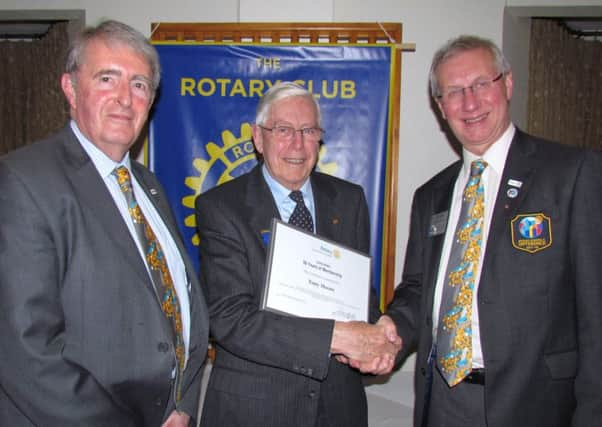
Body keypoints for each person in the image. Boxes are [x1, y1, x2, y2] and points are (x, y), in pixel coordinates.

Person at [380, 35, 602, 426]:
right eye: (454, 91)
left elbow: (596, 313)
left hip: (537, 406)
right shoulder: (431, 195)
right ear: (440, 106)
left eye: (482, 84)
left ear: (507, 84)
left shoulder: (572, 174)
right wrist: (388, 329)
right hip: (443, 402)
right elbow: (418, 290)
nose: (470, 102)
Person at [0, 20, 209, 426]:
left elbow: (176, 309)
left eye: (139, 85)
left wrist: (180, 406)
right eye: (107, 78)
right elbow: (25, 351)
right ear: (70, 88)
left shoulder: (148, 187)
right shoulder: (23, 180)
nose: (124, 99)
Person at [195, 81, 401, 427]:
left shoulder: (349, 201)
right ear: (258, 138)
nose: (298, 144)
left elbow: (358, 297)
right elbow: (230, 318)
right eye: (283, 130)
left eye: (308, 130)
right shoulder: (221, 208)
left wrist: (378, 336)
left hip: (338, 406)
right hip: (255, 408)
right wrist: (340, 338)